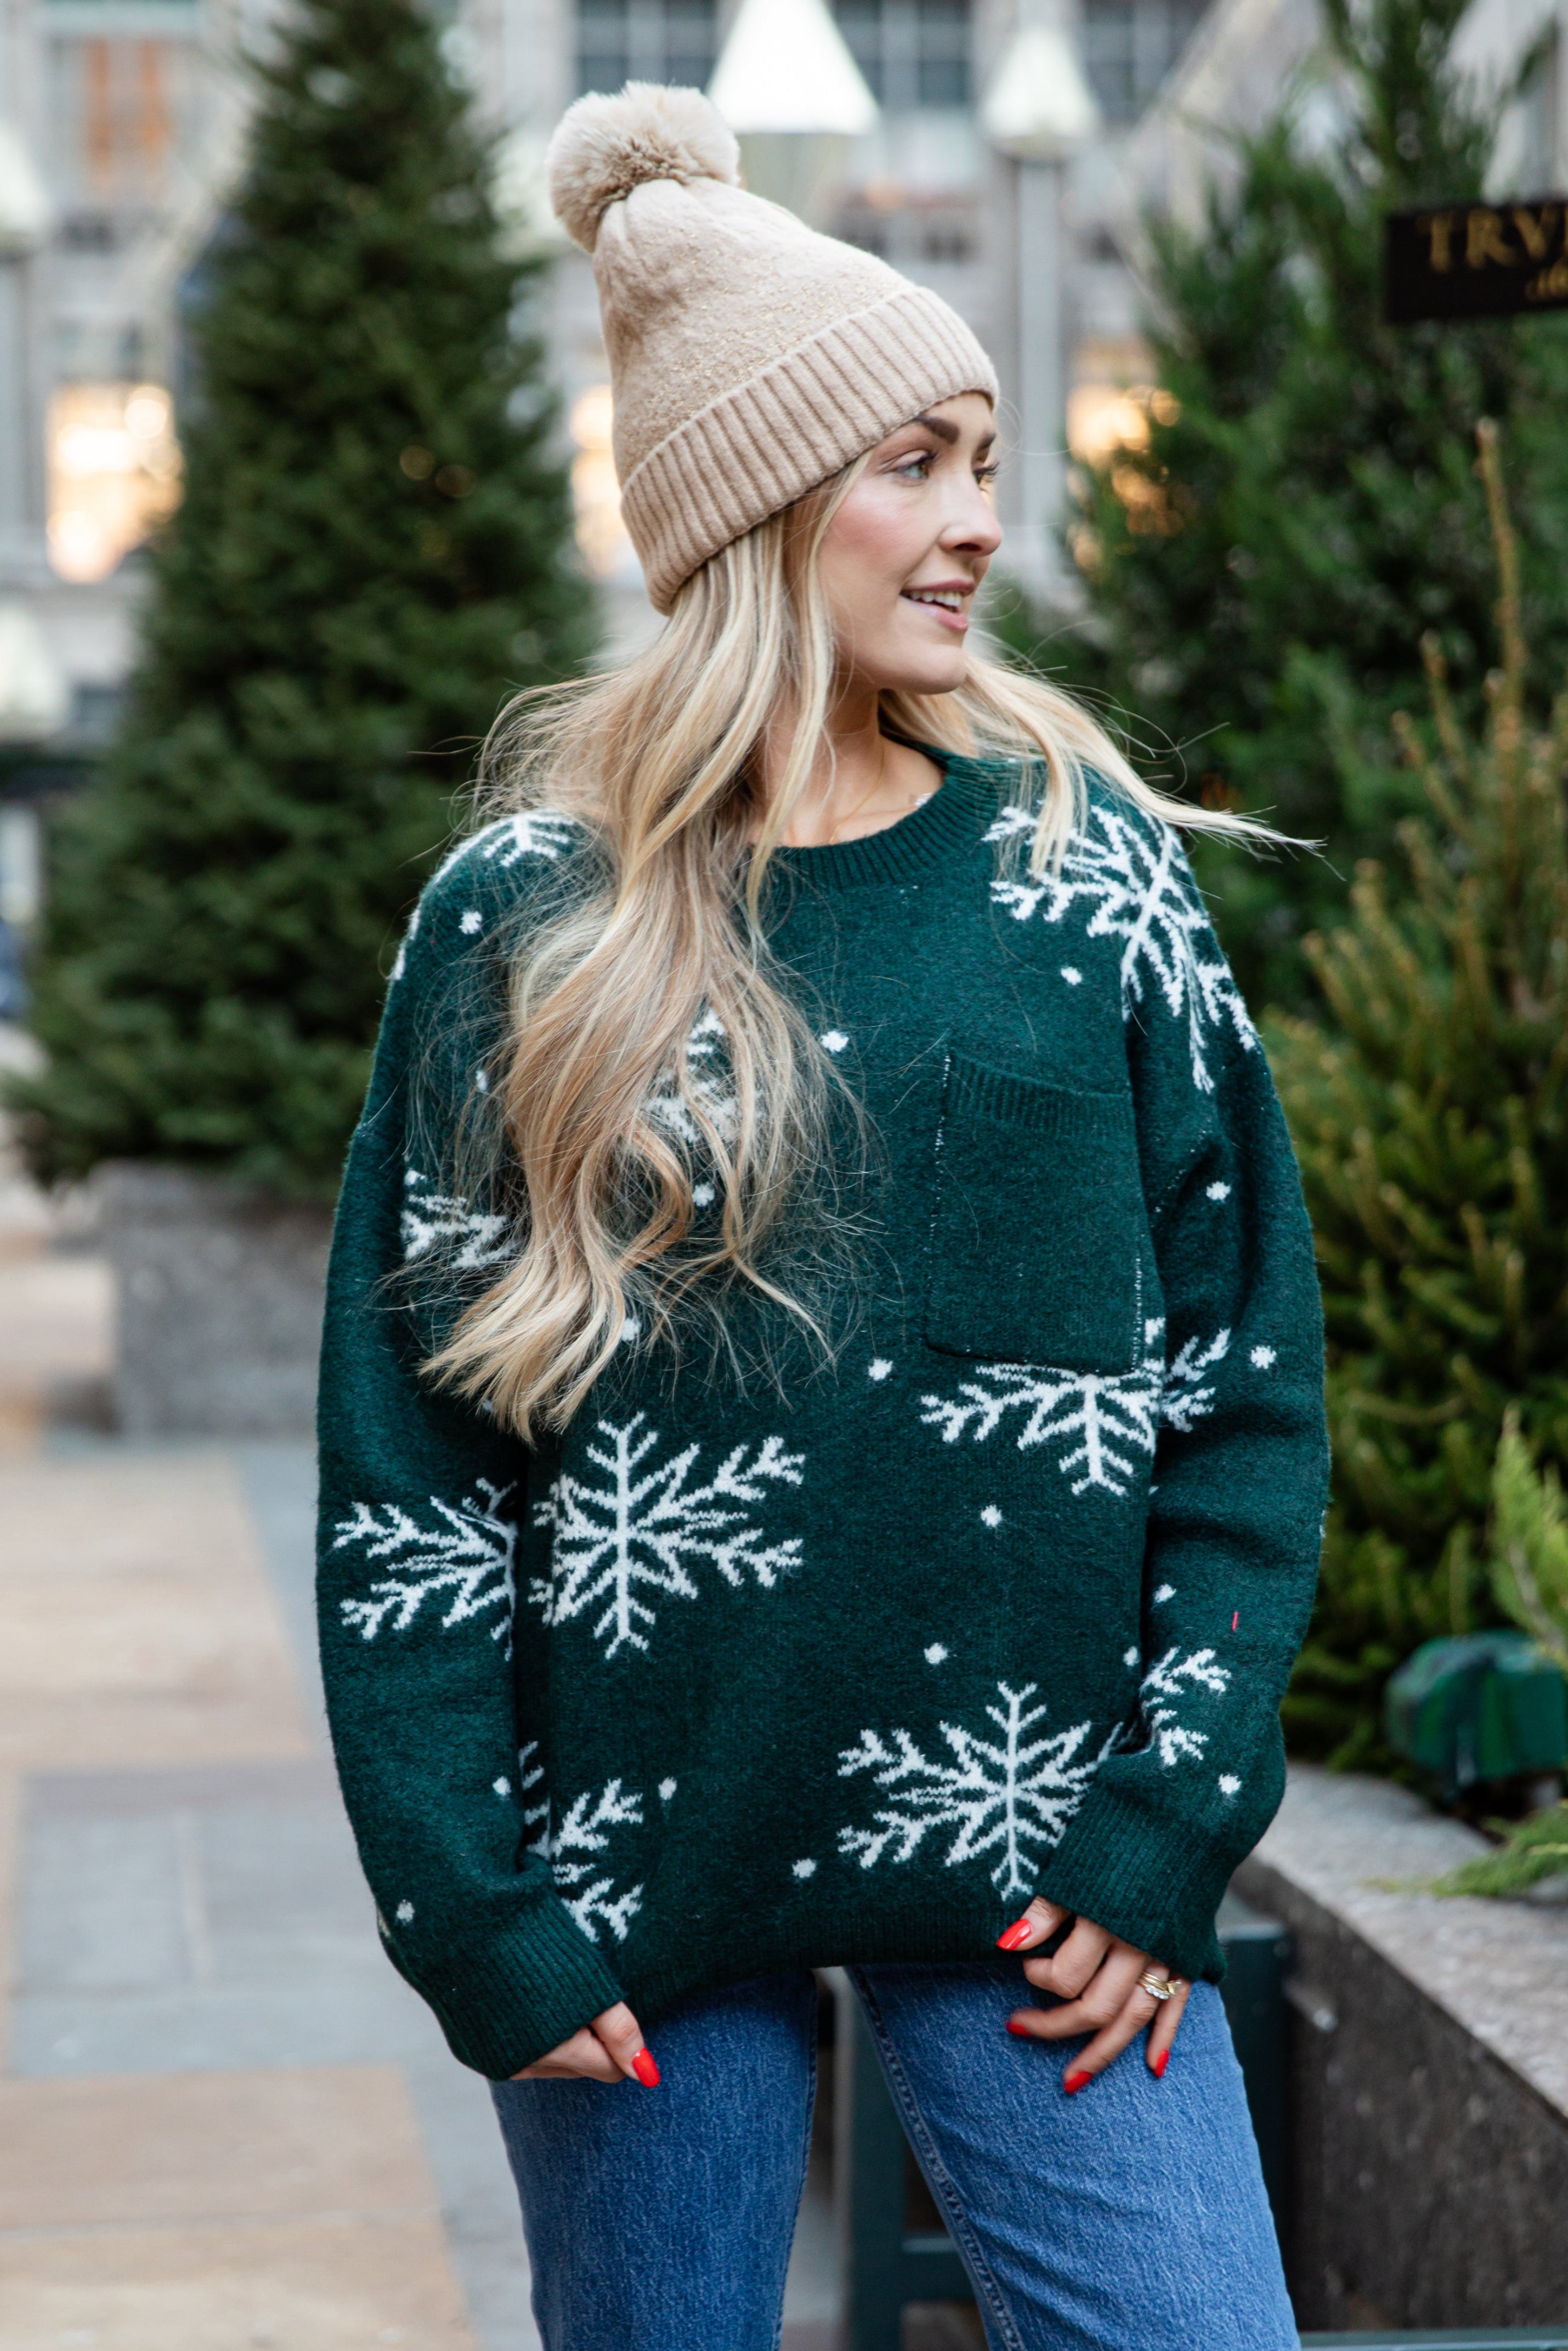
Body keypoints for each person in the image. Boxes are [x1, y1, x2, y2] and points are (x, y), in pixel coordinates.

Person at [315, 82, 1326, 2351]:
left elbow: (1239, 1377)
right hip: (633, 1890)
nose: (976, 520)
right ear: (765, 509)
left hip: (1049, 1865)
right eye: (914, 465)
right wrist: (468, 1902)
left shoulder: (1086, 876)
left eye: (981, 457)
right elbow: (414, 1456)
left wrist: (1173, 1817)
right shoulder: (526, 920)